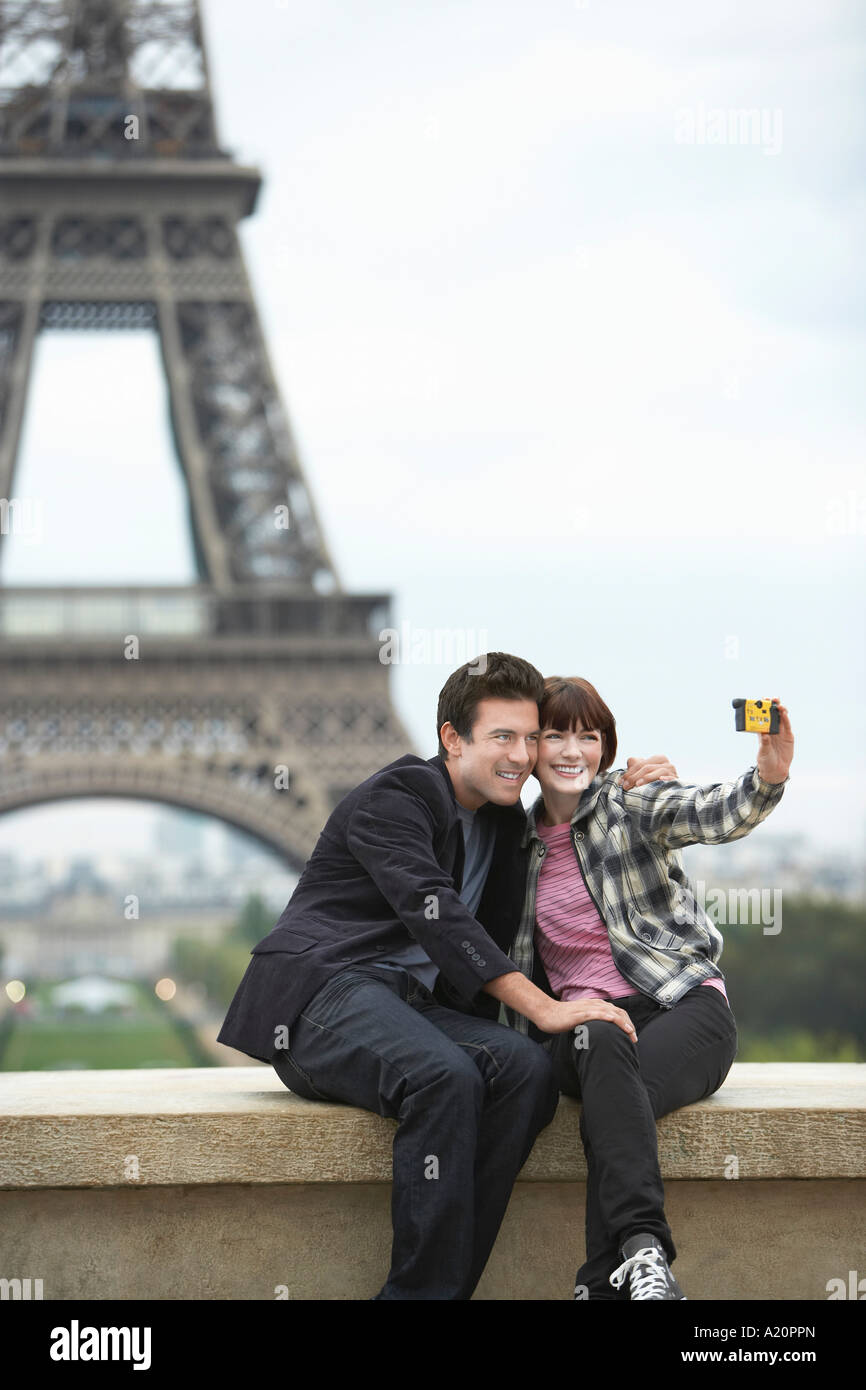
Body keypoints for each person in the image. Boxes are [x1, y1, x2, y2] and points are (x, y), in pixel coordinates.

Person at [216, 653, 674, 1300]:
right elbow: (439, 917)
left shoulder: (504, 821)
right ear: (452, 739)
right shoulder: (394, 797)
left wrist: (619, 795)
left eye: (528, 737)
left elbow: (566, 860)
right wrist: (544, 1008)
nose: (520, 755)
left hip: (408, 1007)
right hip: (325, 994)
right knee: (446, 1075)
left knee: (524, 1071)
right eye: (501, 738)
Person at [504, 676, 794, 1300]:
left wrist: (765, 778)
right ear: (530, 748)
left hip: (683, 1008)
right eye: (554, 734)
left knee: (616, 1104)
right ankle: (638, 1264)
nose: (571, 750)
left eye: (588, 736)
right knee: (604, 1046)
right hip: (587, 1027)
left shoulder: (627, 804)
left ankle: (614, 1274)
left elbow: (703, 814)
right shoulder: (514, 844)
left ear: (606, 748)